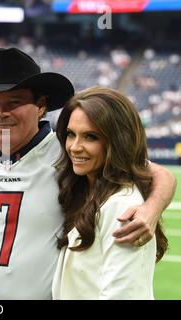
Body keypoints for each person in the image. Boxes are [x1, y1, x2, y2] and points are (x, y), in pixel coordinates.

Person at [0, 47, 176, 299]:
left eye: (14, 102)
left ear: (41, 106)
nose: (1, 112)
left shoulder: (67, 152)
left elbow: (153, 172)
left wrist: (151, 208)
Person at [52, 86, 168, 299]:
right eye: (70, 134)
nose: (75, 147)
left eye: (90, 137)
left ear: (118, 141)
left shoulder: (122, 207)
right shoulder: (87, 191)